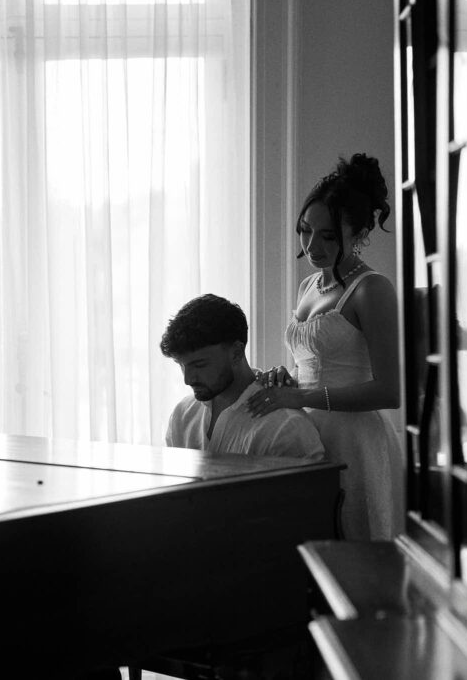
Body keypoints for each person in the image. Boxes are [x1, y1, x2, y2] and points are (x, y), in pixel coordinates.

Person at [246, 153, 404, 540]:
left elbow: (390, 391)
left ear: (360, 233)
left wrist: (301, 396)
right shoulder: (309, 286)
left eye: (328, 235)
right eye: (305, 230)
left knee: (356, 542)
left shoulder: (372, 290)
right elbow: (311, 365)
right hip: (305, 429)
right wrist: (287, 380)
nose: (312, 245)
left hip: (355, 440)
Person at [161, 294, 325, 460]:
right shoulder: (183, 414)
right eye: (181, 365)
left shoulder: (285, 427)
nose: (188, 380)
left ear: (236, 353)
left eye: (199, 365)